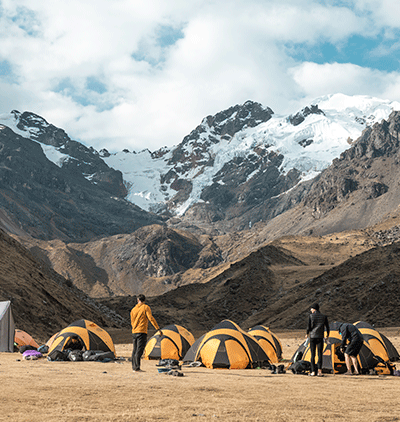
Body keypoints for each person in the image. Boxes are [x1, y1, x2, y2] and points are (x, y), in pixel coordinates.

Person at [130, 294, 163, 372]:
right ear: (144, 300)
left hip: (134, 331)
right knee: (139, 349)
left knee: (134, 349)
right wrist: (157, 328)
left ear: (138, 300)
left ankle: (134, 367)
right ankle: (137, 368)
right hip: (142, 331)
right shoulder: (146, 307)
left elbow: (131, 321)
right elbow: (150, 318)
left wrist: (134, 328)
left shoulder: (133, 309)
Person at [306, 303, 330, 377]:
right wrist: (327, 336)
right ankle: (320, 371)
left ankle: (313, 371)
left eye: (311, 308)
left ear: (314, 309)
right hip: (320, 337)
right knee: (320, 354)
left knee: (313, 354)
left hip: (313, 337)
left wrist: (307, 334)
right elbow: (328, 327)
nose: (311, 310)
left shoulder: (311, 316)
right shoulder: (324, 316)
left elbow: (309, 327)